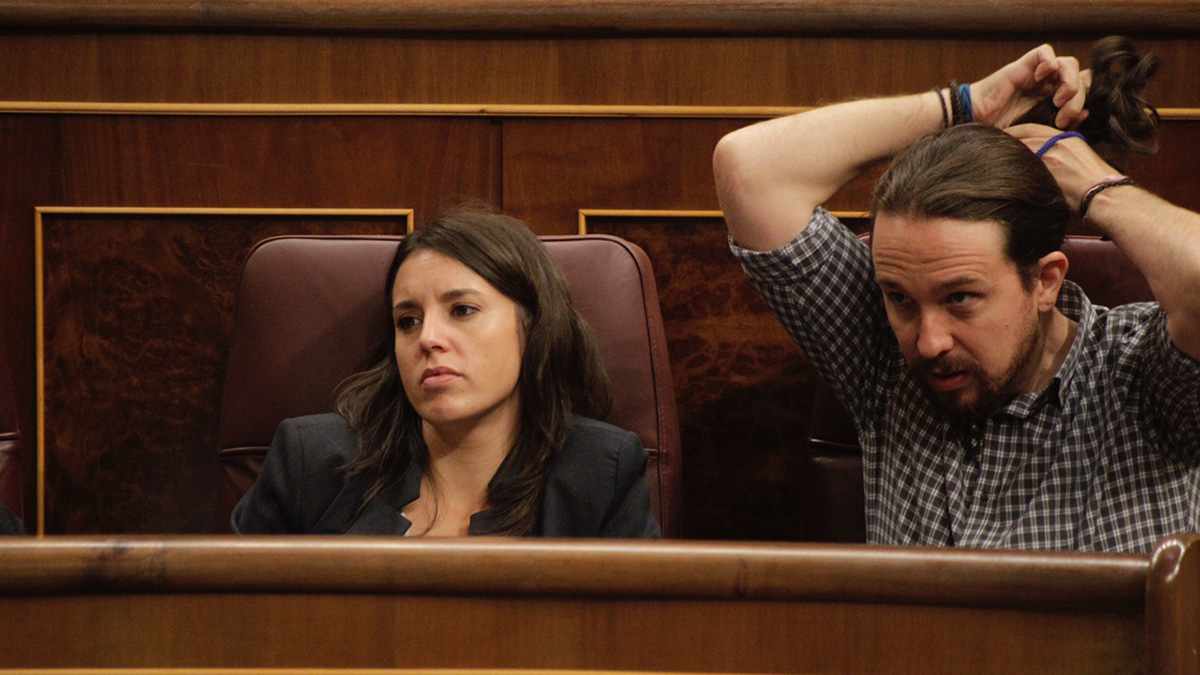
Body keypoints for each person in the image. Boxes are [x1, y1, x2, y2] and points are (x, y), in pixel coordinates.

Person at [713, 38, 1200, 553]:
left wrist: (1095, 185)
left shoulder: (1142, 375)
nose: (928, 343)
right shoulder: (883, 361)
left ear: (1045, 281)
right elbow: (750, 168)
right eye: (900, 298)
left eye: (960, 298)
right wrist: (966, 106)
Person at [233, 209, 661, 538]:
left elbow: (632, 643)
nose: (428, 338)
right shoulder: (311, 461)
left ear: (533, 327)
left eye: (462, 310)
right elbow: (229, 626)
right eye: (408, 320)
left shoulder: (600, 474)